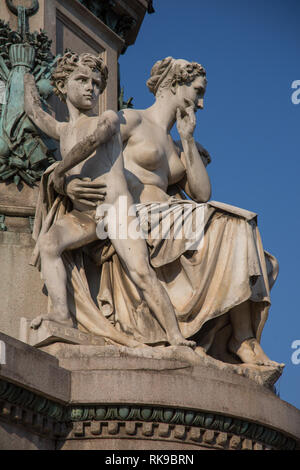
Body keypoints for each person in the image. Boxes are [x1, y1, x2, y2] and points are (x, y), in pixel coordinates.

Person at [64, 57, 281, 367]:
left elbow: (202, 194)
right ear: (175, 84)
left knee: (249, 241)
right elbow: (87, 154)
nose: (201, 103)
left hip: (172, 217)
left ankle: (243, 339)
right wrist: (66, 183)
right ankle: (241, 340)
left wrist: (188, 139)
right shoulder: (131, 120)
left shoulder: (179, 144)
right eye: (197, 91)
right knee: (235, 224)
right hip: (137, 216)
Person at [24, 51, 195, 349]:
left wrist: (59, 172)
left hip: (116, 212)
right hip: (87, 215)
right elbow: (36, 113)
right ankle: (62, 314)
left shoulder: (108, 118)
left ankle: (175, 336)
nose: (91, 88)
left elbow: (91, 142)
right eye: (82, 81)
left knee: (142, 272)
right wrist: (26, 76)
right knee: (50, 244)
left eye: (97, 83)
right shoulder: (63, 130)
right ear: (62, 87)